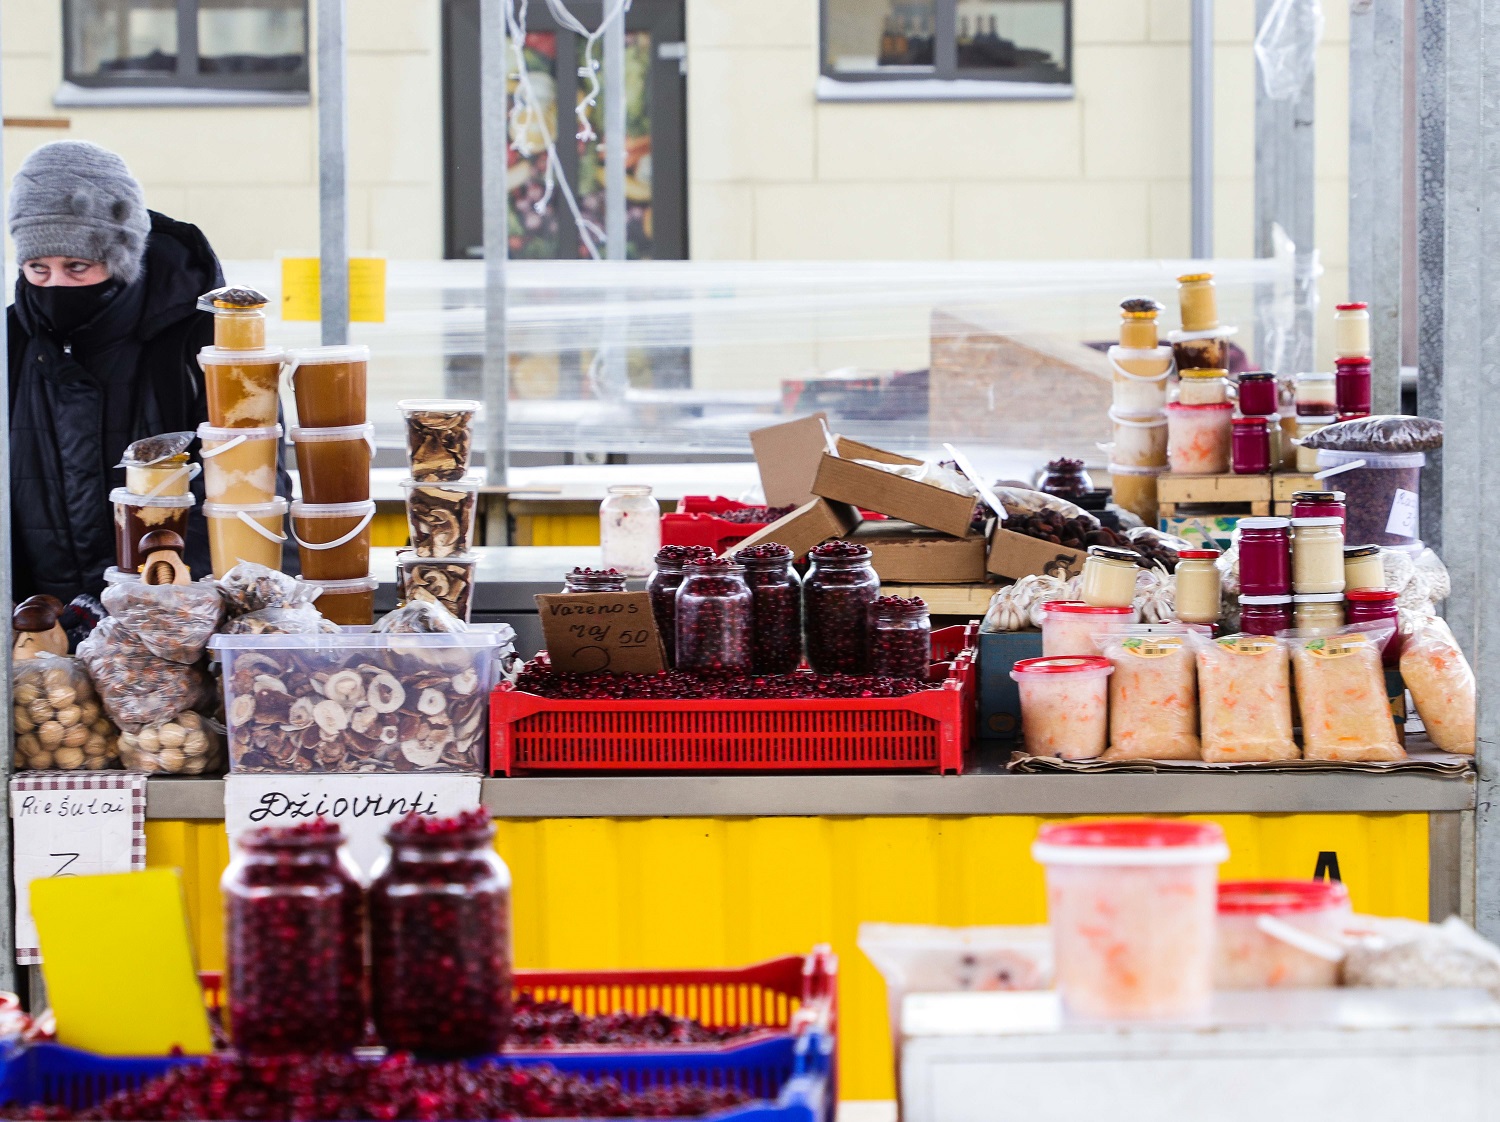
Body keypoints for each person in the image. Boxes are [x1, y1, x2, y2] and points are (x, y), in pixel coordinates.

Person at [7, 139, 223, 601]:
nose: (56, 284)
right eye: (37, 268)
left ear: (120, 257)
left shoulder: (197, 337)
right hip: (42, 637)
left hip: (176, 622)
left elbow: (246, 491)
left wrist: (147, 607)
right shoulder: (13, 342)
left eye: (77, 266)